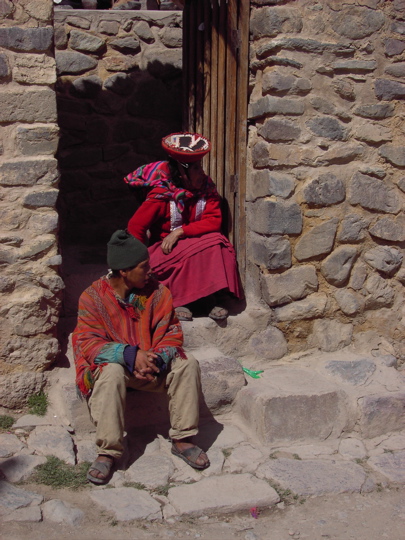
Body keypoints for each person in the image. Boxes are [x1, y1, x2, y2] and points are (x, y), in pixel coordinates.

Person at [72, 229, 209, 485]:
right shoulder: (91, 298)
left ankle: (182, 439)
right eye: (144, 266)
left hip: (153, 366)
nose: (150, 271)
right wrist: (128, 355)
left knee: (187, 364)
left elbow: (172, 333)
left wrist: (154, 359)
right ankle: (108, 451)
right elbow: (88, 344)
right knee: (110, 371)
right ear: (124, 271)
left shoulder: (159, 293)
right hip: (117, 368)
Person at [124, 132, 243, 322]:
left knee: (216, 242)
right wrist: (139, 263)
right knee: (193, 252)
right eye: (195, 168)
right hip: (165, 250)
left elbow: (214, 221)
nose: (201, 173)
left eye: (200, 167)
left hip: (190, 243)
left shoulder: (207, 188)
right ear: (182, 173)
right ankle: (180, 300)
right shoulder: (162, 194)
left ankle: (209, 298)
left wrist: (180, 232)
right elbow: (135, 227)